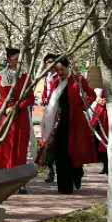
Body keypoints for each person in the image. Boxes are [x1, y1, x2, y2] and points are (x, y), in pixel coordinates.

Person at [40, 56, 95, 193]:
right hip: (60, 121)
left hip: (76, 121)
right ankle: (64, 186)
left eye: (62, 69)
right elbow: (52, 101)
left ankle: (77, 174)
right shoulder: (55, 82)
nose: (60, 72)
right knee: (61, 153)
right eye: (57, 70)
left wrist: (83, 105)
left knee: (74, 153)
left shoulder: (78, 79)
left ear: (67, 67)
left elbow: (92, 95)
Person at [0, 48, 32, 169]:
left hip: (21, 116)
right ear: (8, 60)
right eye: (15, 60)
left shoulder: (25, 77)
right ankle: (2, 175)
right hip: (5, 116)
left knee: (20, 146)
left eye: (20, 60)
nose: (18, 62)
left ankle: (19, 180)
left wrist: (18, 107)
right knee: (4, 146)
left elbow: (31, 98)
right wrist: (4, 107)